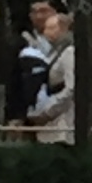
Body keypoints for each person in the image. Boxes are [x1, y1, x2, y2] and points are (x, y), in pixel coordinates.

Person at [25, 8, 77, 142]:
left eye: (51, 28)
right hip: (50, 120)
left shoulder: (69, 52)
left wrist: (47, 112)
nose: (45, 32)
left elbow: (71, 88)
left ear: (63, 30)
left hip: (61, 122)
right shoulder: (54, 52)